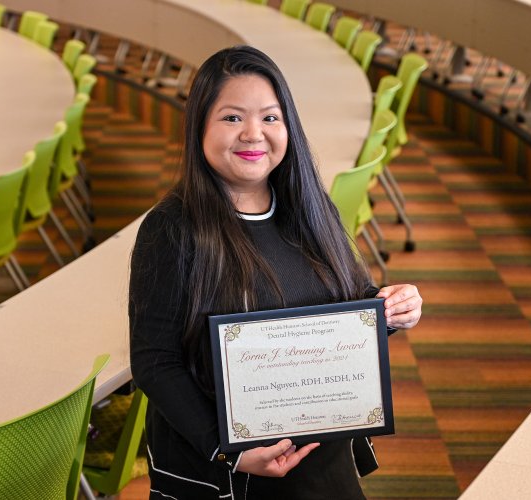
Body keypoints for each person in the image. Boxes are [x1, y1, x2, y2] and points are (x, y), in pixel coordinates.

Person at [129, 45, 422, 500]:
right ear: (198, 126)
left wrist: (389, 310)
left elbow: (348, 306)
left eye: (269, 118)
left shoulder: (308, 206)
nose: (253, 134)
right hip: (227, 471)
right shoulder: (172, 228)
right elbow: (155, 362)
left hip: (321, 456)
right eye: (231, 118)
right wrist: (230, 451)